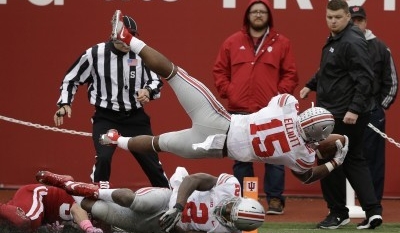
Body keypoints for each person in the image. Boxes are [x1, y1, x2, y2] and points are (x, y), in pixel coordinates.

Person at [100, 9, 349, 186]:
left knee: (173, 72)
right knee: (158, 144)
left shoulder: (287, 105)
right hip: (215, 148)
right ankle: (116, 140)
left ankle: (128, 39)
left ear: (306, 113)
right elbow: (308, 176)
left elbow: (283, 104)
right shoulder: (301, 155)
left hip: (220, 120)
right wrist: (335, 162)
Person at [53, 14, 169, 189]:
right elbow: (71, 78)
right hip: (106, 118)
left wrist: (148, 91)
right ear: (113, 35)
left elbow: (156, 80)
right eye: (122, 37)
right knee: (104, 158)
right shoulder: (95, 53)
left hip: (136, 119)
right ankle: (98, 199)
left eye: (130, 37)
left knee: (152, 163)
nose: (125, 42)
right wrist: (64, 103)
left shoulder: (141, 54)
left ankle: (167, 202)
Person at [299, 0, 383, 230]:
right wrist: (310, 85)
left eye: (337, 17)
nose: (333, 21)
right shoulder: (337, 38)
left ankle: (337, 213)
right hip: (338, 110)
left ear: (347, 16)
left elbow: (365, 78)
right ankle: (373, 212)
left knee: (328, 159)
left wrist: (353, 109)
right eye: (329, 17)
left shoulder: (352, 41)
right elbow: (330, 69)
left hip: (343, 113)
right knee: (355, 160)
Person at [213, 0, 299, 215]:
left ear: (269, 16)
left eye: (262, 12)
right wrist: (229, 91)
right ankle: (247, 199)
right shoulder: (232, 42)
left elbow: (290, 74)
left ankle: (275, 199)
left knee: (274, 156)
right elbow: (219, 71)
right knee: (242, 158)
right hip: (239, 110)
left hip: (270, 111)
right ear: (247, 16)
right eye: (254, 12)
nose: (258, 15)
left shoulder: (282, 43)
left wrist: (278, 97)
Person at [36, 168, 265, 233]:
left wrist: (174, 226)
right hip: (169, 200)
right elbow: (193, 180)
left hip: (162, 226)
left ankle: (68, 187)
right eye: (231, 208)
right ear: (239, 200)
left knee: (102, 212)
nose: (225, 211)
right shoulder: (230, 186)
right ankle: (75, 186)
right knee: (131, 200)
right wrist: (177, 207)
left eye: (228, 217)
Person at [349, 5, 398, 202]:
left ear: (366, 22)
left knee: (373, 161)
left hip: (372, 114)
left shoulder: (380, 47)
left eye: (359, 20)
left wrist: (379, 108)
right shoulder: (340, 45)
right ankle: (341, 205)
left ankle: (373, 204)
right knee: (343, 158)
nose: (356, 24)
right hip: (345, 112)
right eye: (352, 20)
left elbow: (392, 82)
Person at [0, 180, 103, 233]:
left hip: (43, 217)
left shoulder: (111, 221)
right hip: (40, 196)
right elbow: (76, 208)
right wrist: (89, 229)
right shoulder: (104, 194)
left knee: (11, 226)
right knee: (26, 221)